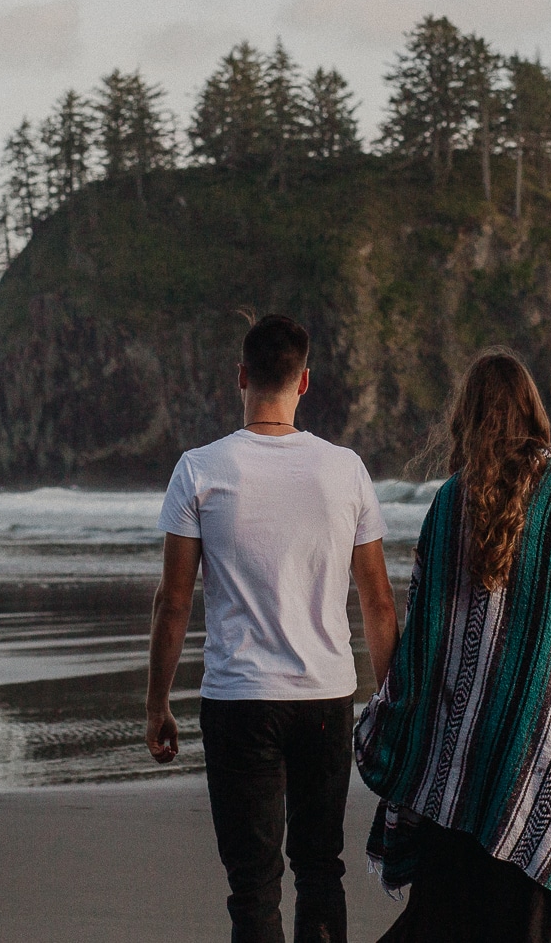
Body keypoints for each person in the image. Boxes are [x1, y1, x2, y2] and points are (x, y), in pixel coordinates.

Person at [145, 313, 400, 943]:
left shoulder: (200, 470)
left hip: (238, 700)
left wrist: (157, 705)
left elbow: (173, 603)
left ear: (241, 376)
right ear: (304, 381)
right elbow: (379, 603)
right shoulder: (346, 470)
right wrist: (392, 699)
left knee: (253, 884)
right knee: (320, 870)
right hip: (324, 696)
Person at [354, 349, 551, 942]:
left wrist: (397, 721)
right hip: (537, 757)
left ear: (466, 418)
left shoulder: (450, 501)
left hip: (457, 769)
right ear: (533, 410)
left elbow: (424, 640)